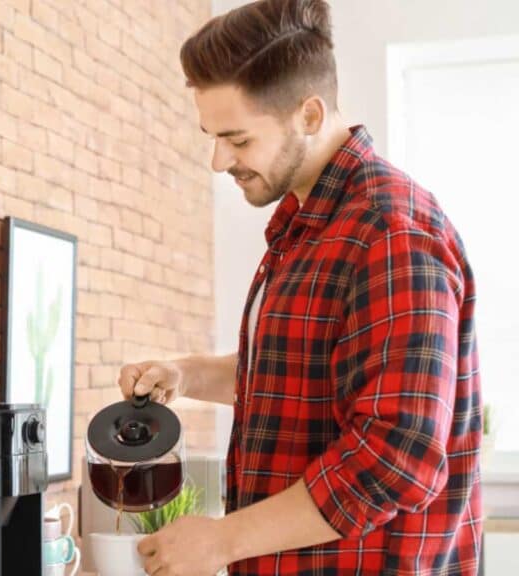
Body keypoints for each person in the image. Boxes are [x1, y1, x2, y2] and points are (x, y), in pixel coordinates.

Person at [116, 0, 483, 574]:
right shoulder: (308, 226)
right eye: (212, 137)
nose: (218, 161)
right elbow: (298, 378)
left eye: (237, 140)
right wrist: (187, 374)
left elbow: (395, 459)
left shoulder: (389, 231)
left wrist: (221, 541)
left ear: (309, 116)